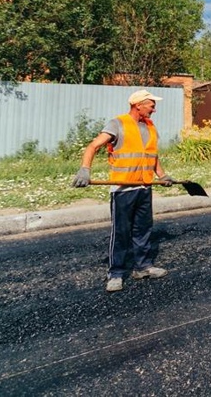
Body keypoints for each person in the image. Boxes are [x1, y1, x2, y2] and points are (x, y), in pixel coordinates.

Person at [72, 89, 175, 292]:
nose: (154, 109)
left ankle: (143, 267)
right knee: (121, 232)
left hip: (145, 187)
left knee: (143, 229)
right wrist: (85, 169)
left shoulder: (150, 126)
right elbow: (93, 146)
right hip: (123, 189)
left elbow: (152, 156)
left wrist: (162, 176)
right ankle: (116, 274)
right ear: (138, 105)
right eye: (151, 105)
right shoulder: (117, 124)